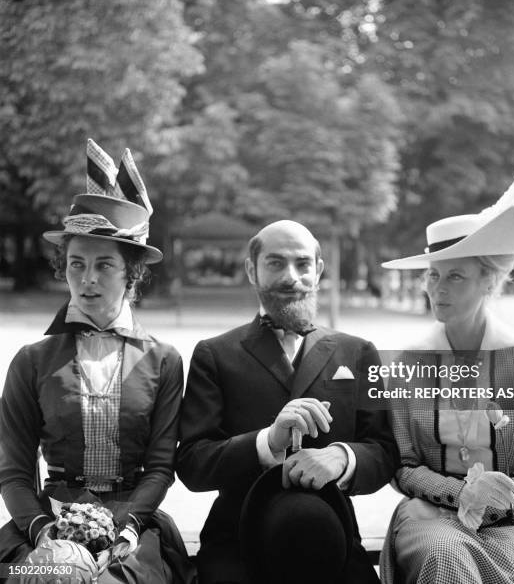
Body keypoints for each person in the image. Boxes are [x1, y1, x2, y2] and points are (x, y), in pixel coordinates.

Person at [0, 139, 192, 583]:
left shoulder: (164, 361)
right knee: (52, 575)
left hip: (133, 523)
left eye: (105, 265)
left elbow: (161, 468)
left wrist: (126, 529)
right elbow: (13, 473)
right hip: (48, 520)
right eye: (75, 264)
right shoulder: (30, 362)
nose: (87, 279)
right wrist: (45, 531)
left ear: (132, 273)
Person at [379, 157, 514, 583]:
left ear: (489, 281)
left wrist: (491, 499)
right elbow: (403, 464)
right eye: (432, 275)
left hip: (510, 522)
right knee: (443, 555)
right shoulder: (409, 364)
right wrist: (462, 492)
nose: (436, 289)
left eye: (455, 277)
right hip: (428, 517)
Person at [177, 219, 398, 584]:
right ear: (252, 270)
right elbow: (192, 464)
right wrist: (267, 442)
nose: (291, 276)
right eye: (275, 263)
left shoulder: (358, 352)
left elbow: (385, 451)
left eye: (302, 264)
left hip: (334, 537)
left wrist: (343, 457)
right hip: (237, 541)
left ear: (319, 270)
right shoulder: (214, 354)